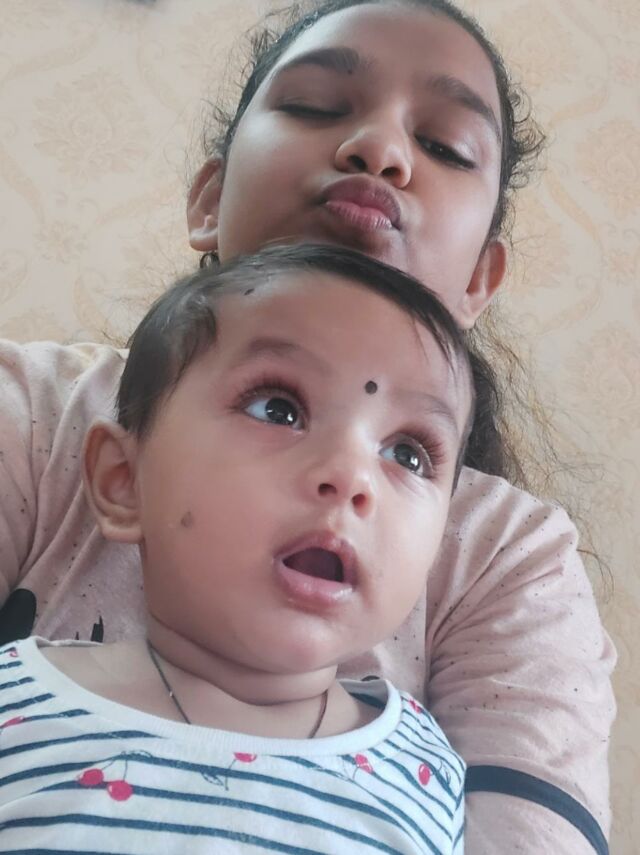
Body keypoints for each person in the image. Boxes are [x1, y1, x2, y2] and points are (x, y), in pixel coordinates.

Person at [0, 1, 615, 852]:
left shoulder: (512, 554)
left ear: (480, 278)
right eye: (316, 106)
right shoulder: (27, 411)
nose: (381, 150)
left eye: (444, 146)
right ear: (209, 199)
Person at [0, 244, 474, 853]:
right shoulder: (16, 706)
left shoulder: (424, 774)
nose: (353, 476)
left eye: (408, 454)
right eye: (278, 409)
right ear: (124, 482)